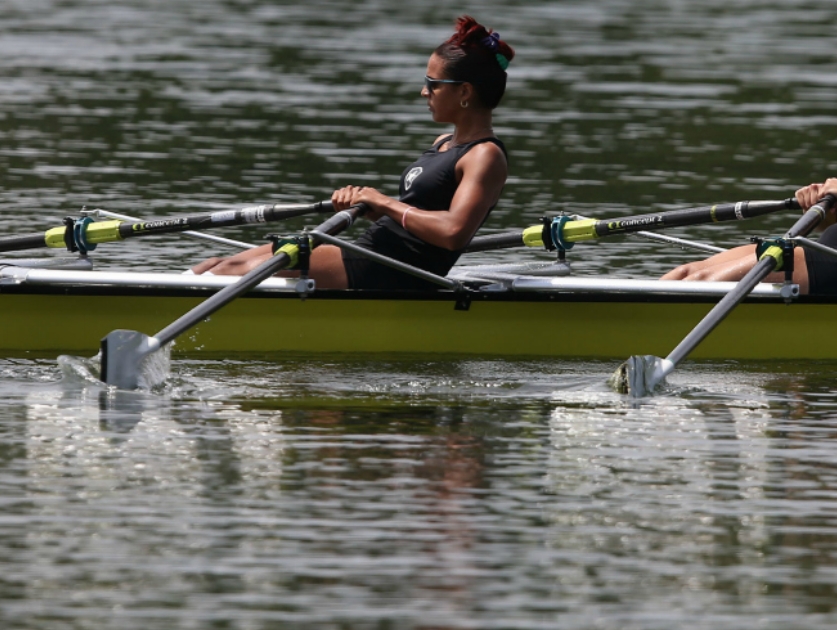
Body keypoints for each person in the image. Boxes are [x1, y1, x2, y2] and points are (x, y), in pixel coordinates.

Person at [191, 16, 515, 290]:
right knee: (217, 264)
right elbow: (418, 215)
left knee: (230, 273)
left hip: (396, 269)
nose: (424, 91)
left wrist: (384, 202)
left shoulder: (484, 155)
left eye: (433, 83)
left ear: (464, 91)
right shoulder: (443, 141)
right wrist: (373, 209)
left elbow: (453, 233)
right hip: (374, 251)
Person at [661, 178, 837, 295]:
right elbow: (826, 226)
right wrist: (824, 207)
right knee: (685, 272)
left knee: (701, 281)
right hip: (828, 248)